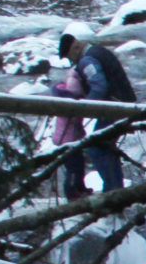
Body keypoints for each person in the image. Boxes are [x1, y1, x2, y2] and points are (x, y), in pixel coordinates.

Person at [57, 29, 135, 198]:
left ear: (76, 47)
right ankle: (115, 189)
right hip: (121, 104)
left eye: (69, 56)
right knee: (105, 146)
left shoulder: (88, 60)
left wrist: (86, 107)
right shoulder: (97, 52)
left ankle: (113, 192)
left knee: (96, 147)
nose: (70, 60)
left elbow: (99, 86)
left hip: (115, 106)